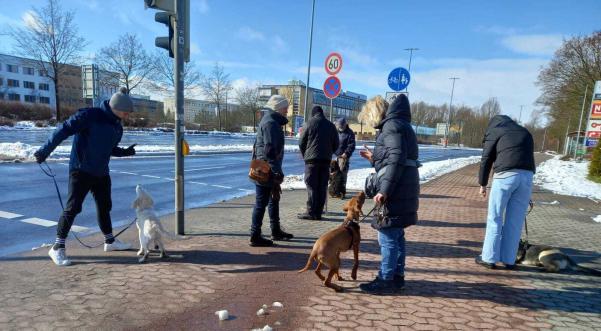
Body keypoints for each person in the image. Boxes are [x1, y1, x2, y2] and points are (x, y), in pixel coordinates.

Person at [34, 87, 137, 266]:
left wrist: (125, 152)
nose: (127, 116)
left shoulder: (116, 125)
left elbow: (108, 149)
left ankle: (110, 242)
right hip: (81, 169)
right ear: (116, 107)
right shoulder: (90, 115)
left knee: (105, 206)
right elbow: (63, 130)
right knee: (73, 208)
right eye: (126, 112)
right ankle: (57, 247)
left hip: (101, 172)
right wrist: (44, 151)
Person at [358, 94, 420, 293]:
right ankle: (397, 277)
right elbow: (393, 158)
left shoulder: (391, 126)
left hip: (396, 190)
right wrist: (374, 159)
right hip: (403, 187)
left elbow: (396, 159)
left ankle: (385, 280)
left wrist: (384, 191)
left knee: (387, 237)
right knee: (396, 235)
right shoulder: (400, 125)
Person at [475, 115, 535, 269]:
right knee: (515, 221)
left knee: (495, 217)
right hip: (527, 176)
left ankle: (489, 258)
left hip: (505, 176)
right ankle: (509, 259)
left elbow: (486, 158)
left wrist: (482, 183)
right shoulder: (525, 132)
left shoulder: (496, 131)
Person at [250, 95, 294, 247]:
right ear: (278, 108)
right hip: (265, 169)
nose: (287, 112)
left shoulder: (269, 120)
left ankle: (275, 230)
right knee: (261, 203)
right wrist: (276, 171)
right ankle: (255, 236)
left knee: (273, 199)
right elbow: (270, 150)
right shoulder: (271, 123)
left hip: (265, 167)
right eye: (285, 109)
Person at [298, 106, 339, 220]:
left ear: (313, 113)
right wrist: (329, 152)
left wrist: (305, 154)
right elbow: (336, 144)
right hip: (325, 161)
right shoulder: (331, 126)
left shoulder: (308, 123)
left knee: (311, 185)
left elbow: (301, 142)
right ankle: (318, 212)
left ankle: (311, 212)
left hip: (311, 160)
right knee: (322, 186)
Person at [334, 117, 356, 199]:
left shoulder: (350, 133)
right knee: (335, 174)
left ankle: (342, 191)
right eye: (339, 126)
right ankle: (336, 190)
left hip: (344, 157)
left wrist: (346, 153)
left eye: (341, 126)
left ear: (345, 125)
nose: (340, 127)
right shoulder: (336, 132)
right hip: (336, 155)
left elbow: (352, 145)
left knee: (342, 174)